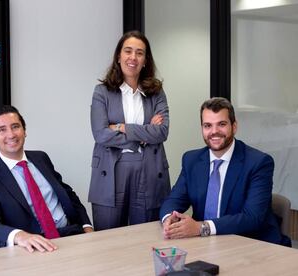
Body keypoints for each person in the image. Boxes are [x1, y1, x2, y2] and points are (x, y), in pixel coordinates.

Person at [159, 97, 291, 246]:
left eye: (221, 124)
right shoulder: (192, 160)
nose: (214, 132)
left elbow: (252, 218)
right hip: (207, 244)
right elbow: (174, 201)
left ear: (234, 127)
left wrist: (201, 228)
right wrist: (169, 218)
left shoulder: (258, 163)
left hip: (252, 244)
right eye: (208, 125)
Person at [0, 105, 93, 252]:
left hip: (71, 235)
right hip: (31, 246)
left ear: (24, 131)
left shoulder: (41, 158)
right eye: (2, 130)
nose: (11, 135)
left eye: (15, 127)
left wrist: (86, 226)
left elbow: (68, 194)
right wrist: (20, 236)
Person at [89, 30, 171, 231]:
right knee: (107, 241)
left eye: (139, 53)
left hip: (149, 169)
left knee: (144, 238)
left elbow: (162, 132)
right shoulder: (102, 92)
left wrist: (122, 127)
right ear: (119, 56)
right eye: (128, 51)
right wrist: (144, 134)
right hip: (111, 170)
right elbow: (101, 134)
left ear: (145, 60)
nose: (133, 57)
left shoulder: (156, 92)